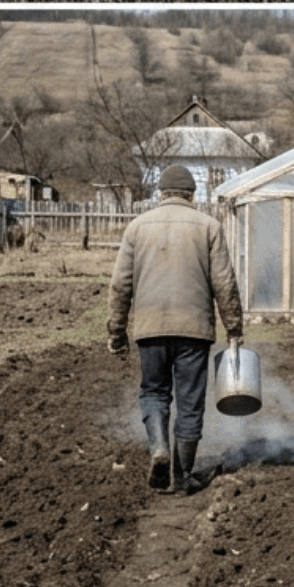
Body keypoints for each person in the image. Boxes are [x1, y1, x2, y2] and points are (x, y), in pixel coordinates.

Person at [105, 165, 244, 496]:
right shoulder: (209, 226)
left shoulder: (137, 227)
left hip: (150, 328)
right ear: (192, 195)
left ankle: (158, 449)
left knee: (154, 392)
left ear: (160, 194)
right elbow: (224, 282)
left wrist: (116, 331)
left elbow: (120, 284)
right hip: (194, 329)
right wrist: (234, 328)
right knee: (190, 403)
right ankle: (183, 477)